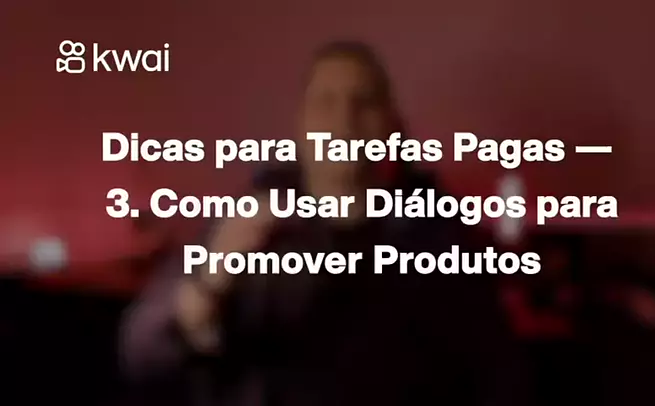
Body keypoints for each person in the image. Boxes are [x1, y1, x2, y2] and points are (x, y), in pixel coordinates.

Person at [120, 41, 527, 406]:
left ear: (392, 126)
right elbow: (141, 352)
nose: (345, 118)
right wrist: (210, 283)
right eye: (326, 102)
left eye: (364, 102)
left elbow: (499, 375)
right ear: (301, 125)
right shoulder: (248, 220)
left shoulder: (441, 236)